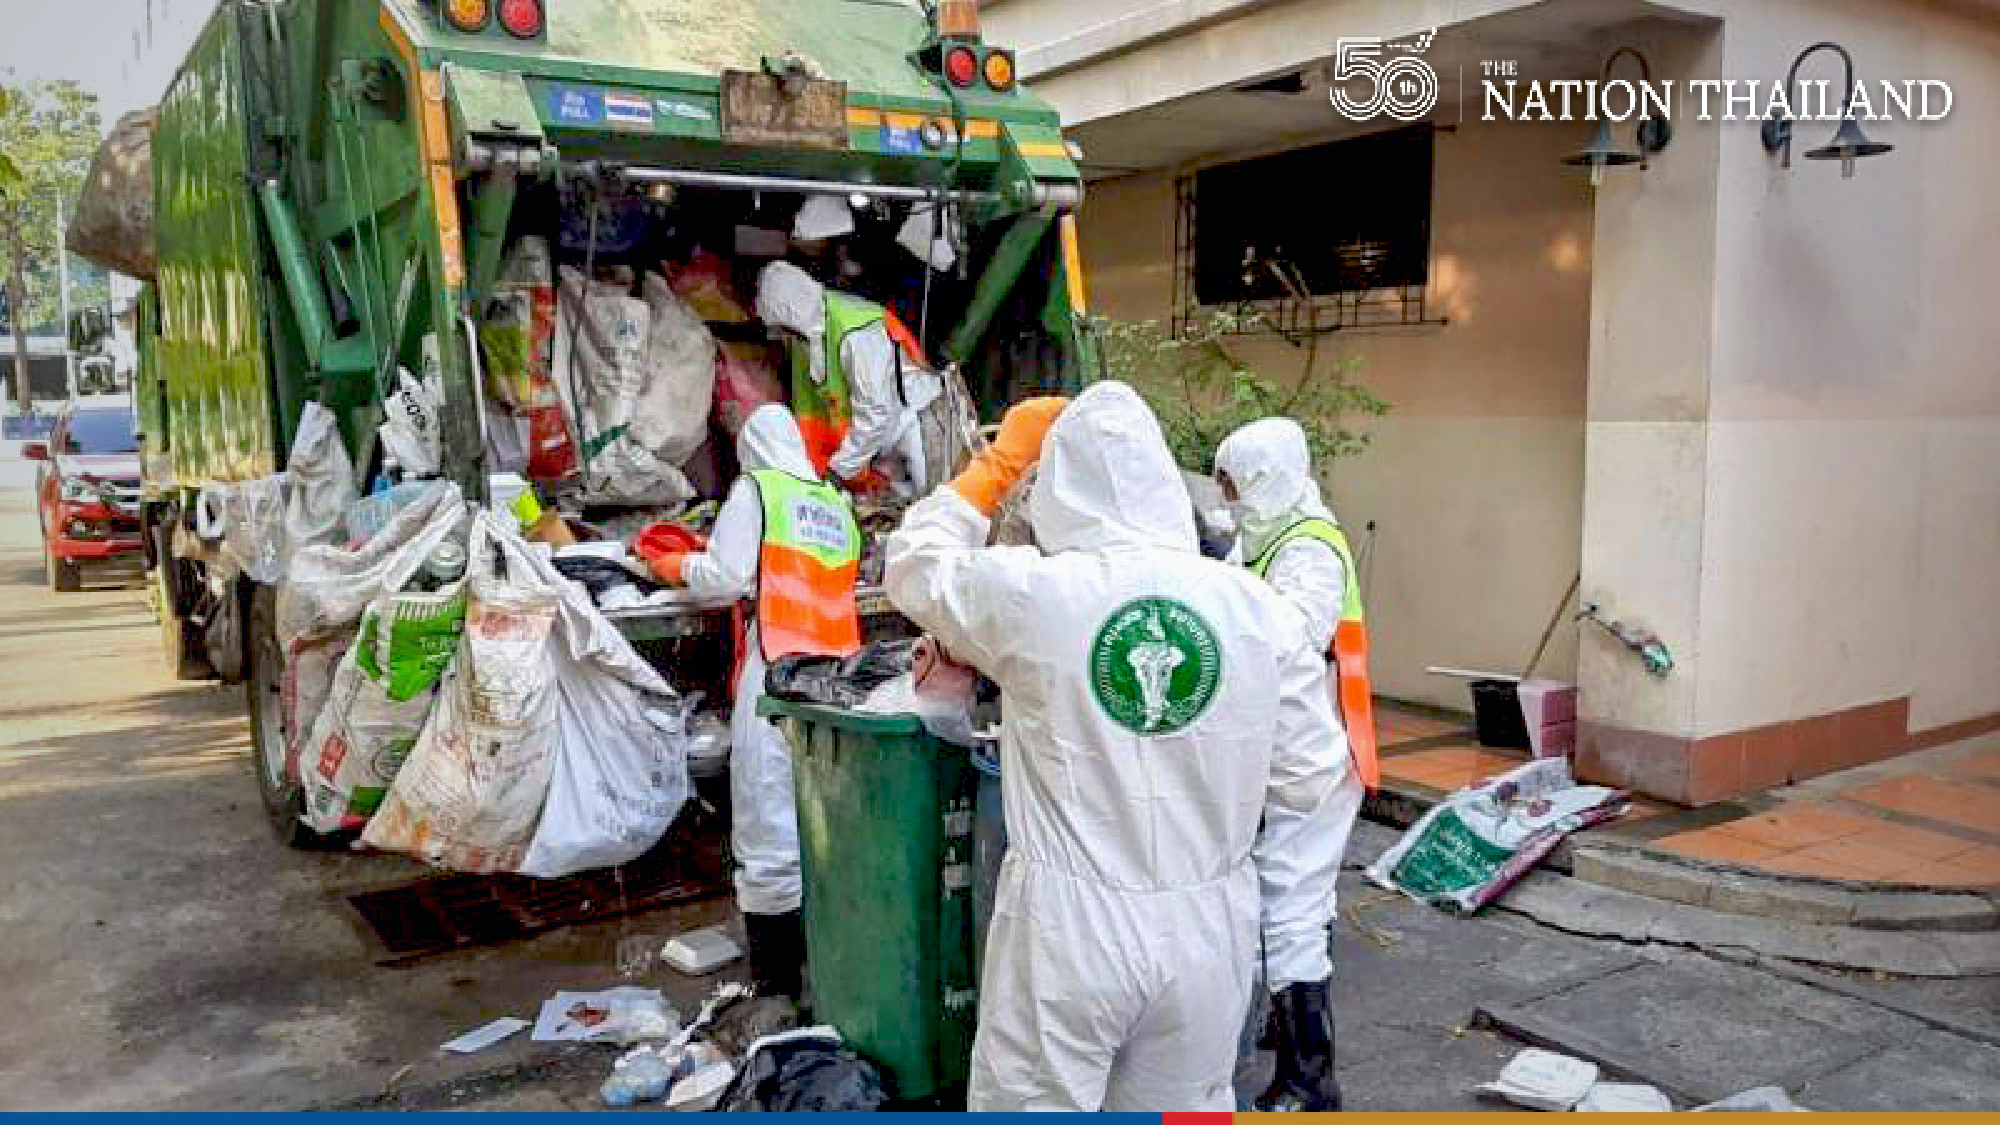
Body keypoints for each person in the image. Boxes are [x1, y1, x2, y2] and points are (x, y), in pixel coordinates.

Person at [883, 382, 1349, 1111]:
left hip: (1067, 929)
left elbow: (912, 563)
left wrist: (995, 466)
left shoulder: (1034, 594)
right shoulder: (1257, 608)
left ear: (1062, 488)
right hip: (1207, 930)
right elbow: (1307, 775)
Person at [645, 404, 863, 1005]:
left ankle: (777, 986)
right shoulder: (834, 504)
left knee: (768, 830)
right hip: (839, 683)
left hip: (779, 676)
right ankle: (831, 965)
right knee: (822, 824)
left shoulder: (758, 490)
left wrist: (671, 562)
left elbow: (724, 577)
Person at [1214, 417, 1375, 1111]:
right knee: (1291, 905)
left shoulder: (1312, 547)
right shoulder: (1264, 535)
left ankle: (1312, 1080)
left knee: (1289, 909)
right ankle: (1286, 1035)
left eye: (1238, 487)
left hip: (1314, 762)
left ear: (1271, 477)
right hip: (1286, 756)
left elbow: (1288, 634)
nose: (1231, 503)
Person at [755, 259, 935, 498]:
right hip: (878, 442)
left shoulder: (856, 333)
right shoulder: (809, 334)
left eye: (780, 329)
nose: (778, 337)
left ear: (789, 318)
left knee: (932, 502)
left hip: (915, 422)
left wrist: (838, 471)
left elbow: (876, 412)